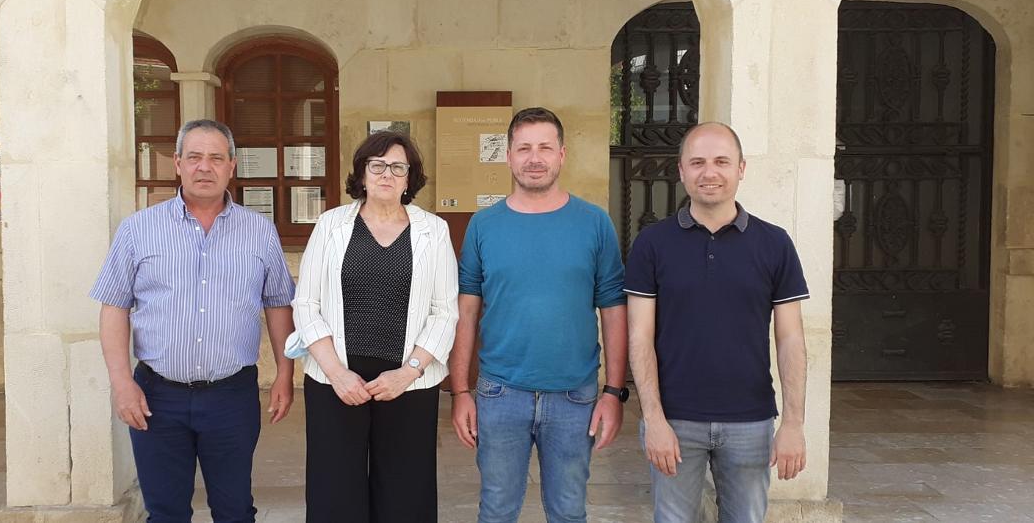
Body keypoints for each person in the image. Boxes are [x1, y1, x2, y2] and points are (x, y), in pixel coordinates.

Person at [89, 119, 295, 523]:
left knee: (235, 509)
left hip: (231, 396)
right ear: (178, 164)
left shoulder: (259, 232)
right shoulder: (138, 230)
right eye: (195, 157)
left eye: (216, 158)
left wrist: (286, 374)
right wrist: (121, 384)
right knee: (165, 512)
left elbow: (278, 305)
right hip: (156, 396)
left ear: (232, 166)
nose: (206, 167)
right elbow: (114, 307)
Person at [450, 106, 628, 523]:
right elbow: (467, 310)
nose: (535, 158)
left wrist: (614, 391)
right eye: (524, 148)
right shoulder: (484, 225)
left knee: (568, 512)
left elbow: (614, 310)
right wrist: (461, 391)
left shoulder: (594, 223)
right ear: (508, 156)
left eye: (545, 147)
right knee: (496, 511)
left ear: (562, 154)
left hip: (574, 395)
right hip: (500, 394)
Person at [626, 122, 810, 523]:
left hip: (751, 422)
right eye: (698, 162)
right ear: (681, 170)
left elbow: (792, 338)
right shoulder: (652, 244)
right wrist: (653, 419)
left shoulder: (774, 243)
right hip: (675, 421)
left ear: (741, 168)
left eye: (721, 162)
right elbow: (639, 336)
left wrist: (793, 424)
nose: (709, 173)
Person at [291, 130, 459, 523]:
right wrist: (335, 373)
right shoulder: (331, 225)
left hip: (407, 382)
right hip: (335, 379)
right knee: (335, 492)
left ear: (409, 177)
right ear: (362, 174)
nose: (387, 174)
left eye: (397, 167)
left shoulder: (434, 231)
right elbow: (307, 303)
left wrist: (408, 372)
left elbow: (444, 311)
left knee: (406, 492)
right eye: (377, 165)